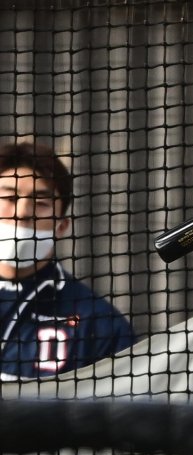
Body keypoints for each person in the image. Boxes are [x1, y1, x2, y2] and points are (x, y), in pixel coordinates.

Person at [0, 140, 135, 379]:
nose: (22, 213)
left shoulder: (98, 323)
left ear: (62, 226)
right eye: (9, 198)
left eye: (40, 203)